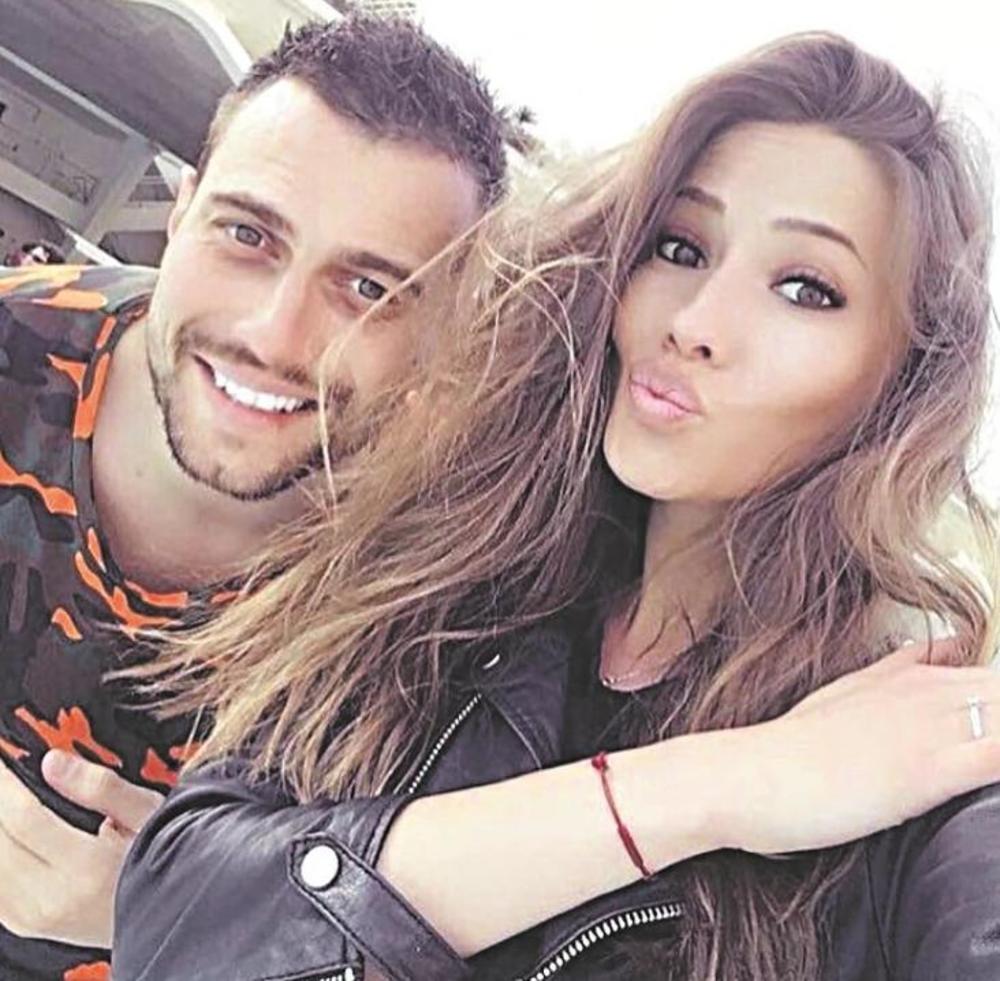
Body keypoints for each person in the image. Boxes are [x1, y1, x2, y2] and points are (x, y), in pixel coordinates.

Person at [114, 32, 1000, 981]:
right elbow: (173, 917)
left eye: (805, 289)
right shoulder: (451, 576)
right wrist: (722, 785)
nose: (692, 323)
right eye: (681, 247)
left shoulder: (915, 766)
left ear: (904, 376)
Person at [0, 14, 507, 980]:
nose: (276, 336)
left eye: (368, 289)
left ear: (445, 341)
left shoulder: (438, 619)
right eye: (247, 234)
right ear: (181, 210)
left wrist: (197, 926)